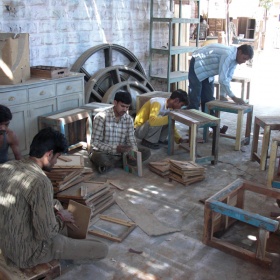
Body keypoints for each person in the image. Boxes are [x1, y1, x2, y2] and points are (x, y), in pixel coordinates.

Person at [0, 127, 108, 269]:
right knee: (101, 249)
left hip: (7, 246)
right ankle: (71, 257)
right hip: (28, 254)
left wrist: (56, 209)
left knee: (57, 209)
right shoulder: (40, 181)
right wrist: (61, 219)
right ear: (49, 154)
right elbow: (46, 232)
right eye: (57, 157)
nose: (56, 162)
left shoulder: (7, 166)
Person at [90, 90, 151, 173]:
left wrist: (133, 151)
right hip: (104, 152)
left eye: (127, 107)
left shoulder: (128, 119)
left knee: (146, 152)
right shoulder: (101, 117)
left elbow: (131, 139)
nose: (125, 109)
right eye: (122, 106)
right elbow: (95, 143)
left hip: (122, 153)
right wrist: (115, 149)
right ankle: (119, 163)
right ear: (115, 103)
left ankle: (112, 164)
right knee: (100, 158)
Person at [188, 43, 254, 113]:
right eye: (244, 58)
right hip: (198, 62)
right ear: (239, 52)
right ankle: (193, 120)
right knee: (195, 96)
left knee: (209, 99)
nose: (244, 61)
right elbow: (222, 79)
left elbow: (227, 78)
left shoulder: (235, 60)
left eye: (246, 60)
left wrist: (222, 95)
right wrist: (233, 97)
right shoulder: (228, 54)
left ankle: (210, 123)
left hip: (208, 70)